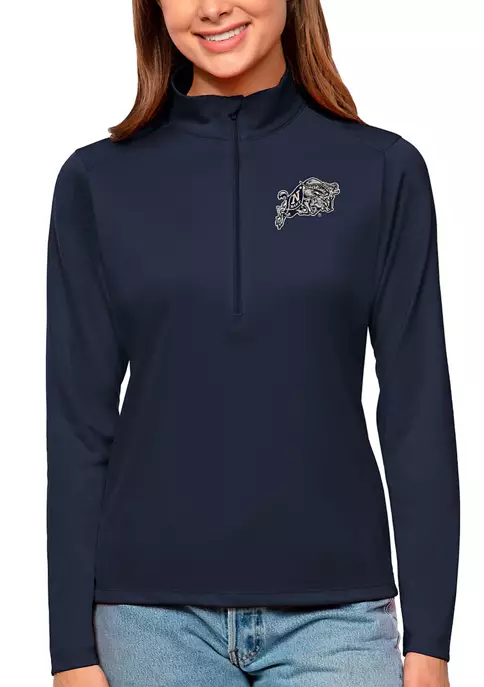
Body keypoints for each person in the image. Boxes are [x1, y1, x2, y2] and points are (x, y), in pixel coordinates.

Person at [45, 1, 460, 686]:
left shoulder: (383, 170)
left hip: (339, 619)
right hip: (148, 622)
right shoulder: (96, 182)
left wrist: (430, 644)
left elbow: (418, 412)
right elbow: (77, 425)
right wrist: (70, 653)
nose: (212, 7)